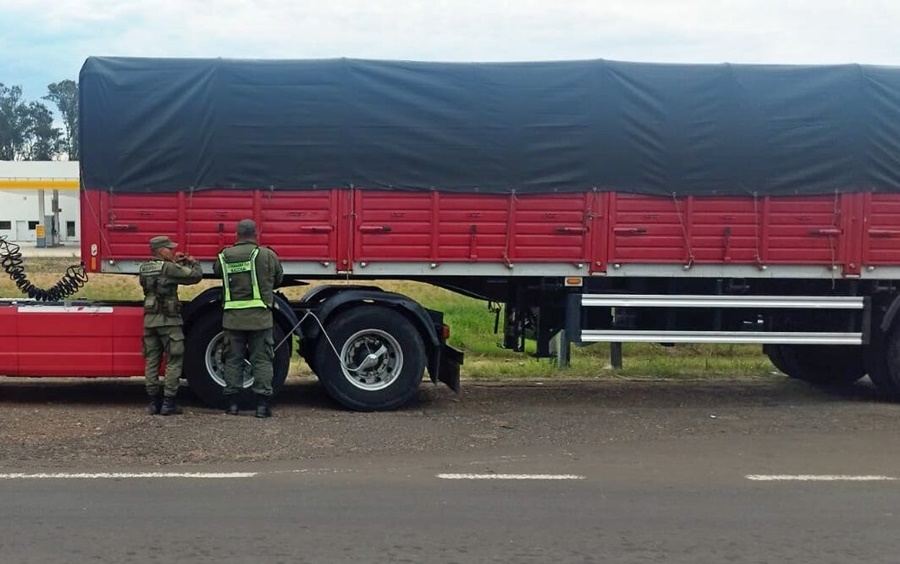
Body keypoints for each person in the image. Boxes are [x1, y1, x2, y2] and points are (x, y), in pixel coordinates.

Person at [212, 219, 284, 418]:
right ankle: (262, 407)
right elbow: (278, 279)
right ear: (256, 234)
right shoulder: (268, 255)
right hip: (260, 319)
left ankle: (232, 405)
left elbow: (217, 272)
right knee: (262, 360)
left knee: (233, 359)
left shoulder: (225, 255)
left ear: (237, 234)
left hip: (233, 319)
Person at [140, 235, 203, 415]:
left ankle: (153, 402)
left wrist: (174, 262)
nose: (173, 250)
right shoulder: (169, 268)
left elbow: (153, 282)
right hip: (169, 321)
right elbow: (195, 276)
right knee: (174, 360)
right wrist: (192, 262)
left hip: (150, 320)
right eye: (169, 248)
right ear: (161, 251)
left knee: (152, 360)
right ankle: (168, 403)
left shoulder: (144, 268)